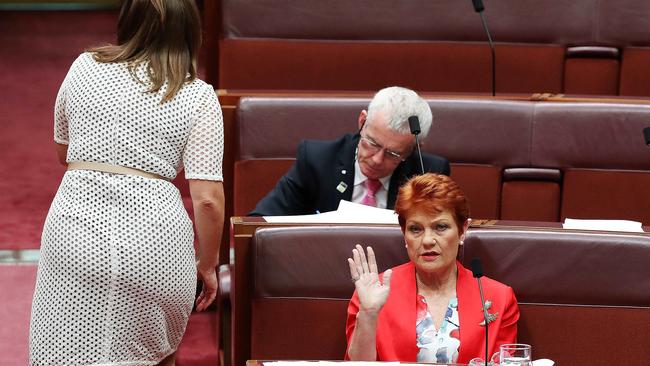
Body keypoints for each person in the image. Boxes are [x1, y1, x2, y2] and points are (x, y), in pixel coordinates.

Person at [29, 1, 224, 365]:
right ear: (189, 35)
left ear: (128, 21)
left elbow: (64, 150)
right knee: (152, 355)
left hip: (76, 236)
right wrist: (208, 263)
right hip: (156, 248)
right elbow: (208, 199)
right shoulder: (198, 95)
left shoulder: (84, 66)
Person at [345, 174, 519, 364]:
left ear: (463, 229)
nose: (427, 240)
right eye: (415, 229)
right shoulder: (373, 292)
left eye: (440, 227)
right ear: (404, 234)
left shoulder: (498, 297)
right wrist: (369, 314)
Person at [250, 86, 450, 216]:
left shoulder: (428, 173)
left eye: (393, 154)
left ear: (413, 150)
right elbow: (260, 221)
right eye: (372, 142)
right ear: (362, 121)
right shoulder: (317, 160)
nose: (377, 159)